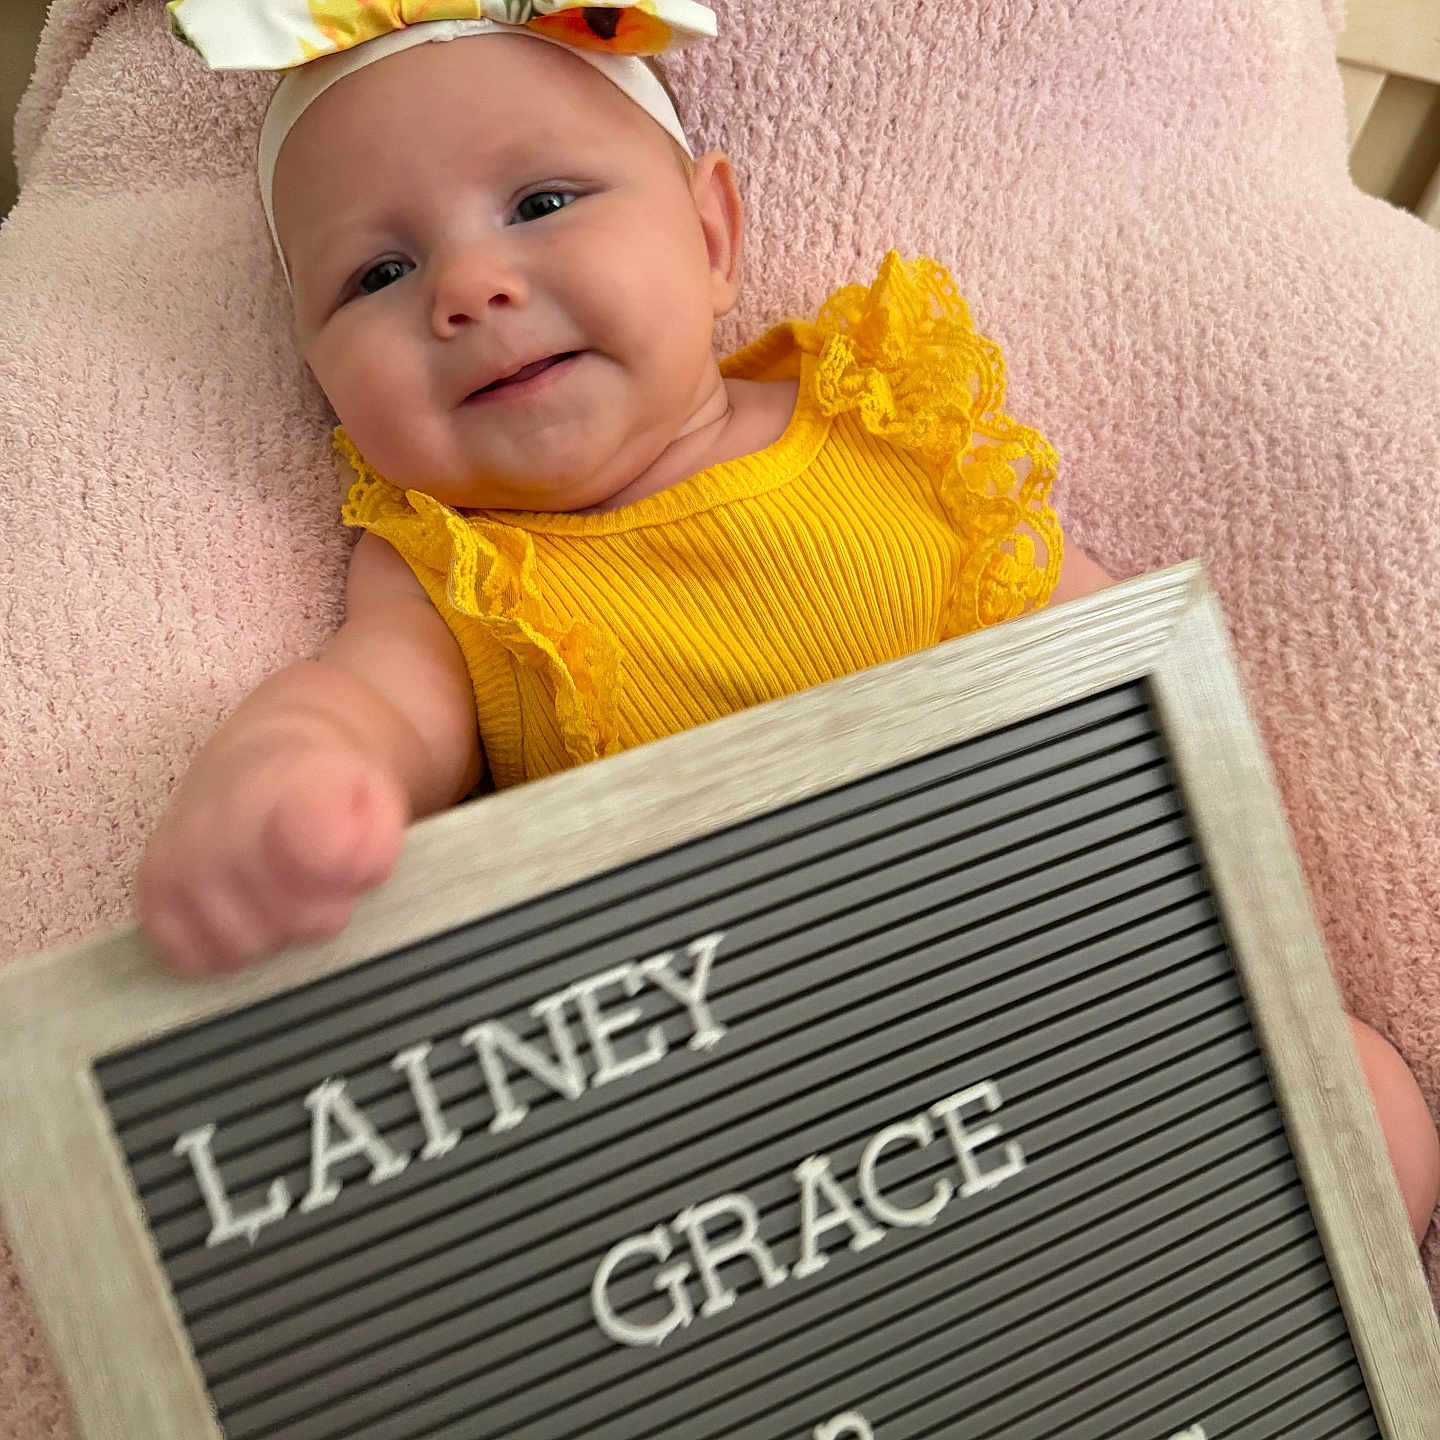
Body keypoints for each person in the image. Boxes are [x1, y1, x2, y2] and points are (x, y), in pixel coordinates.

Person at [146, 1, 1438, 1241]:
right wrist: (291, 778)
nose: (471, 286)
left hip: (1039, 968)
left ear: (713, 237)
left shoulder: (884, 423)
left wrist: (1203, 894)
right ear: (314, 372)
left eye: (542, 203)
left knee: (1361, 1103)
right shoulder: (452, 569)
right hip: (764, 1117)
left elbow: (1106, 659)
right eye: (379, 271)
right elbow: (369, 705)